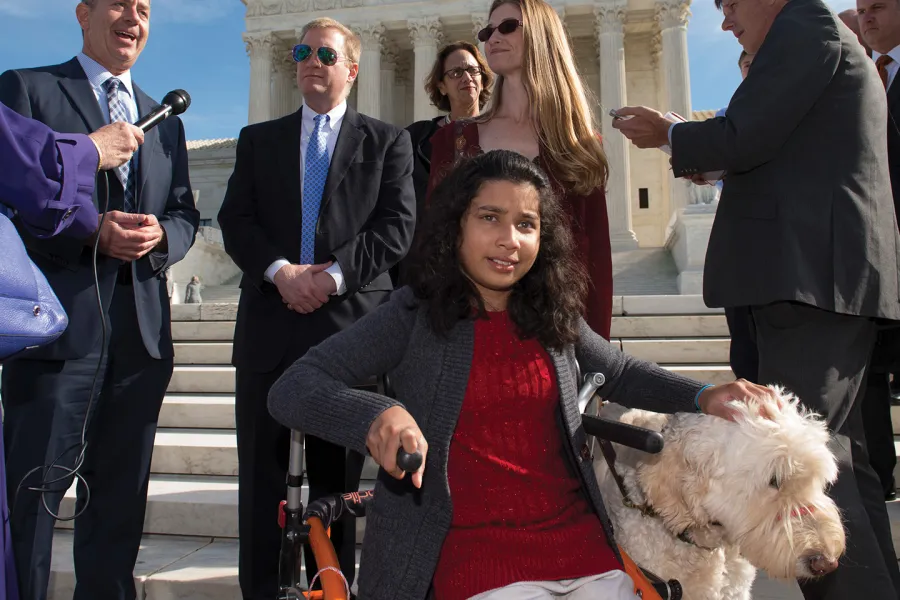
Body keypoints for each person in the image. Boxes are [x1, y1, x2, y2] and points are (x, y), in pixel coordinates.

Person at [267, 150, 774, 600]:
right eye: (490, 217)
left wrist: (706, 394)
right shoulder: (413, 313)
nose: (509, 240)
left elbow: (618, 371)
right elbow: (293, 387)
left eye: (526, 224)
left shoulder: (549, 313)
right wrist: (379, 413)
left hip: (580, 547)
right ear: (456, 226)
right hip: (473, 555)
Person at [612, 0, 900, 597]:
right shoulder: (805, 41)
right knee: (842, 466)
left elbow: (745, 135)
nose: (724, 22)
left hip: (807, 282)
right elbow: (774, 148)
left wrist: (671, 134)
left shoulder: (805, 26)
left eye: (731, 4)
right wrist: (703, 155)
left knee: (796, 476)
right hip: (805, 280)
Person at [0, 0, 201, 598]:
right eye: (119, 3)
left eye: (144, 8)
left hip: (140, 338)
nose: (133, 17)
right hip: (57, 337)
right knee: (30, 507)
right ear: (84, 13)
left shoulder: (164, 117)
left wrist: (163, 236)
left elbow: (186, 210)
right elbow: (17, 194)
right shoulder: (29, 90)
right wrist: (92, 229)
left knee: (117, 511)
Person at [217, 16, 416, 600]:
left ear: (351, 69)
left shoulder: (387, 141)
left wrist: (327, 279)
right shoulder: (259, 139)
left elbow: (397, 229)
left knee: (336, 489)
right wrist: (282, 273)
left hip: (348, 337)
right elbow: (236, 222)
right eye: (302, 51)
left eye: (325, 54)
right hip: (269, 331)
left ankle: (329, 590)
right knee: (261, 486)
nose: (309, 60)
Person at [424, 0, 614, 339]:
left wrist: (594, 353)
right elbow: (432, 245)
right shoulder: (454, 140)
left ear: (542, 35)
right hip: (466, 330)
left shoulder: (579, 144)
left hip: (552, 331)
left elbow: (594, 256)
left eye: (508, 26)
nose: (493, 37)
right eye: (488, 30)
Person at [393, 41, 492, 285]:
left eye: (473, 70)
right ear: (442, 86)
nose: (467, 77)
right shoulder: (415, 139)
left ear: (483, 79)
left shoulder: (502, 136)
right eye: (456, 73)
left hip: (485, 261)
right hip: (426, 266)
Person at [858, 0, 900, 501]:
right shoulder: (871, 76)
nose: (866, 17)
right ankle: (879, 477)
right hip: (875, 256)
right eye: (860, 8)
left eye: (877, 7)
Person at [0, 102, 144, 239]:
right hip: (55, 257)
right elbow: (20, 166)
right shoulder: (25, 81)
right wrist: (95, 148)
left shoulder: (154, 106)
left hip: (143, 261)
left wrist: (162, 237)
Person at [708, 50, 758, 384]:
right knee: (744, 345)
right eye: (746, 65)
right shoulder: (727, 116)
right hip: (739, 235)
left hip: (776, 241)